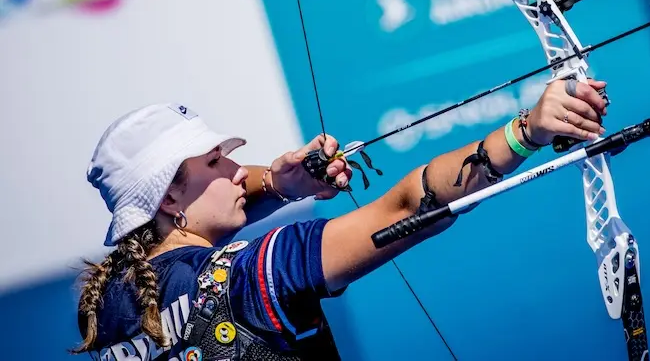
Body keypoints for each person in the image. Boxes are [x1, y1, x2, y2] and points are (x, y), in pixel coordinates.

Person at [71, 78, 608, 360]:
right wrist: (527, 132)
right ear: (167, 201)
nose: (238, 170)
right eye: (215, 162)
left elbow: (187, 240)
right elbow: (407, 207)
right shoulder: (250, 275)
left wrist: (280, 184)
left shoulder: (112, 301)